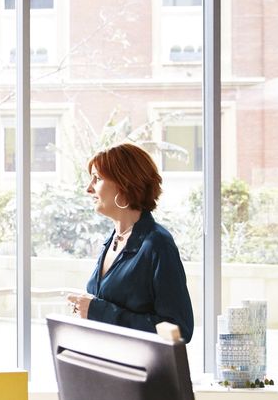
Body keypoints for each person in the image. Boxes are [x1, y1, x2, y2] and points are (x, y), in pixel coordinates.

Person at [65, 142, 194, 343]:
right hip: (108, 367)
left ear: (123, 184)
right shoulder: (112, 241)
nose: (88, 189)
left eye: (97, 179)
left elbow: (178, 330)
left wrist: (98, 310)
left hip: (141, 372)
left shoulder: (158, 245)